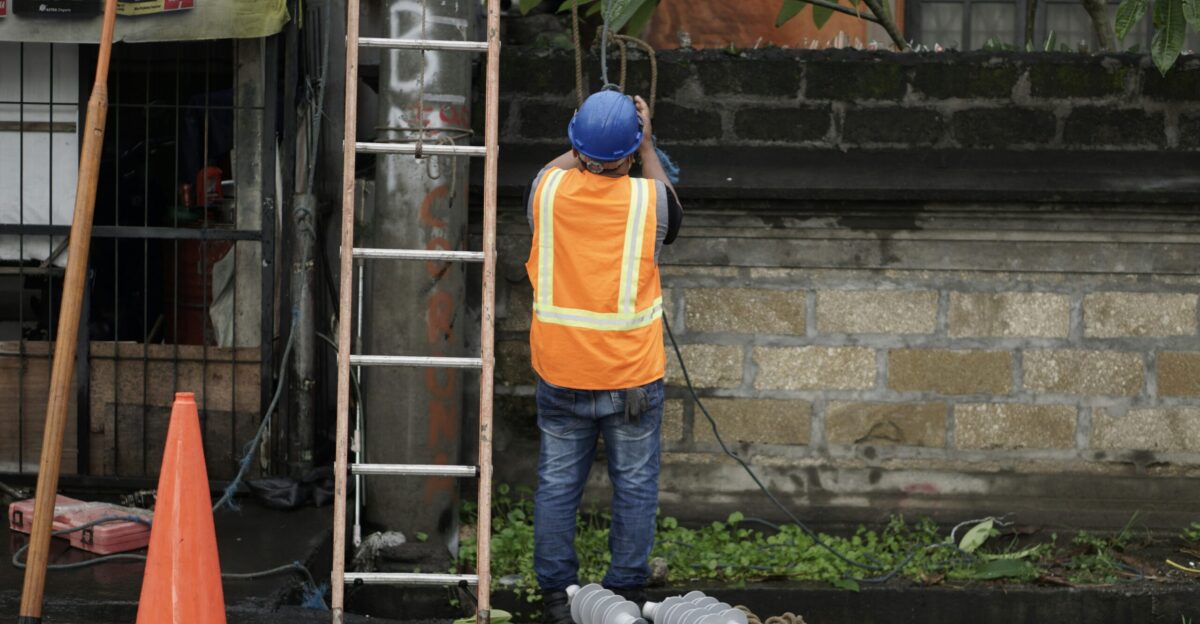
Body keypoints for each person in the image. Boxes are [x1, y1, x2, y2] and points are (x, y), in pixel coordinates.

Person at [524, 89, 683, 624]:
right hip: (631, 376)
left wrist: (582, 137)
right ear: (632, 149)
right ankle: (624, 596)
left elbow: (555, 166)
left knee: (556, 483)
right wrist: (647, 141)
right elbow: (671, 207)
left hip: (561, 372)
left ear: (576, 142)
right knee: (634, 486)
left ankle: (557, 597)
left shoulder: (546, 191)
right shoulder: (650, 201)